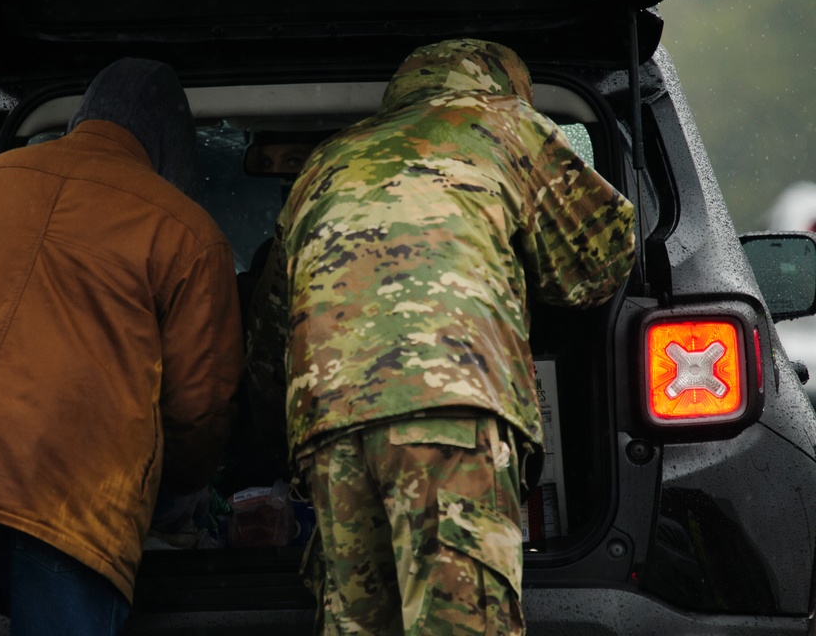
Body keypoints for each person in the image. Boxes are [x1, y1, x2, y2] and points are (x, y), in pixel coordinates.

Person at [247, 38, 635, 634]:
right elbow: (601, 264)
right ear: (503, 86)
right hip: (450, 409)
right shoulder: (504, 123)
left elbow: (271, 344)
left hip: (329, 426)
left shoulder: (325, 163)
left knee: (360, 623)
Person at [0, 58, 244, 635]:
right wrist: (179, 496)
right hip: (70, 505)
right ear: (176, 146)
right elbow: (198, 409)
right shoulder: (188, 234)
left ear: (82, 115)